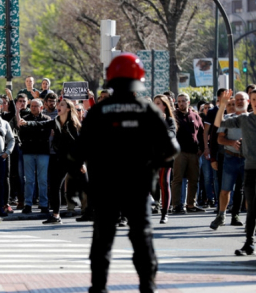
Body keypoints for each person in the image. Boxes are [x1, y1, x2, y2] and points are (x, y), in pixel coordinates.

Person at [67, 53, 179, 293]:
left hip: (104, 186)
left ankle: (98, 287)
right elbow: (172, 148)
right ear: (139, 78)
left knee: (102, 239)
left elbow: (75, 155)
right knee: (142, 237)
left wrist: (83, 184)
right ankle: (147, 286)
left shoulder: (98, 112)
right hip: (138, 186)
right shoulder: (147, 110)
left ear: (110, 78)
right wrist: (152, 165)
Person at [214, 88, 256, 256]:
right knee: (252, 207)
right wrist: (223, 105)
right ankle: (249, 243)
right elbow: (219, 123)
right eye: (254, 99)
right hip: (251, 167)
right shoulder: (244, 119)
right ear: (250, 102)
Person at [18, 98, 82, 225]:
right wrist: (26, 123)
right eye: (59, 104)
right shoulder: (56, 121)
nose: (58, 106)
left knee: (87, 186)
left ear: (68, 109)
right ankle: (56, 216)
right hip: (61, 159)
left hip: (74, 160)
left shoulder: (74, 124)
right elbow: (41, 124)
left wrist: (81, 163)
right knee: (54, 187)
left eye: (62, 104)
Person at [210, 92, 248, 230]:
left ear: (247, 101)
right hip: (230, 158)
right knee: (225, 190)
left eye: (241, 99)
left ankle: (248, 218)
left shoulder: (254, 119)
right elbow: (219, 139)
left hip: (248, 159)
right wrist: (232, 143)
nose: (238, 102)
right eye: (236, 100)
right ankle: (221, 216)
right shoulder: (227, 118)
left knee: (246, 190)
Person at [172, 93, 205, 213]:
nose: (181, 103)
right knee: (178, 179)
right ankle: (176, 205)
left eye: (184, 101)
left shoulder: (195, 116)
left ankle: (191, 205)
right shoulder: (174, 115)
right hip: (179, 153)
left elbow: (201, 133)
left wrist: (202, 148)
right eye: (179, 101)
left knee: (194, 179)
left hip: (194, 152)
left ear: (188, 102)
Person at [18, 98, 52, 215]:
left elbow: (46, 134)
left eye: (36, 106)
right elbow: (22, 135)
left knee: (42, 179)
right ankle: (28, 204)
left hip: (43, 152)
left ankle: (43, 204)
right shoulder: (25, 119)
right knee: (29, 180)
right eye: (32, 106)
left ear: (41, 107)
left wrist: (33, 129)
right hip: (28, 151)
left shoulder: (47, 119)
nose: (33, 108)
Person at [153, 94, 177, 224]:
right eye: (154, 103)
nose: (155, 105)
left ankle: (164, 213)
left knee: (164, 183)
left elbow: (171, 135)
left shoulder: (170, 120)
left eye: (158, 103)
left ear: (164, 106)